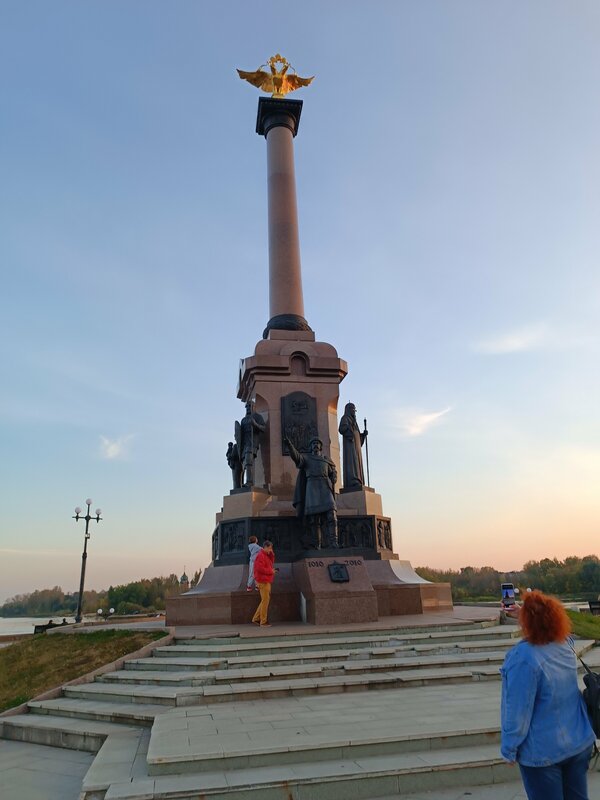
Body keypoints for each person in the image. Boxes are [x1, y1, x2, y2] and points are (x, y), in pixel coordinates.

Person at [500, 591, 595, 800]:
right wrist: (525, 613)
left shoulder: (523, 658)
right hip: (578, 741)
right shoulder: (565, 646)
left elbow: (518, 710)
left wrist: (509, 748)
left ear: (527, 622)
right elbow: (554, 629)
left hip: (543, 752)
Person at [285, 435, 338, 548]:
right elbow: (297, 457)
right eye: (313, 443)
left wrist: (334, 476)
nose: (315, 445)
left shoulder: (326, 460)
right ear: (310, 447)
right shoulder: (307, 459)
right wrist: (290, 446)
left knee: (331, 515)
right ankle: (317, 544)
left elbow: (332, 472)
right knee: (315, 520)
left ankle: (334, 542)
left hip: (324, 487)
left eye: (317, 443)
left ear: (320, 446)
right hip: (311, 489)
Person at [338, 402, 368, 490]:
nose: (354, 412)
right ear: (348, 410)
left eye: (355, 410)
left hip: (356, 446)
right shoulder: (345, 418)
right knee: (352, 462)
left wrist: (363, 435)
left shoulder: (355, 422)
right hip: (350, 445)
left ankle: (359, 479)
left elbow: (358, 435)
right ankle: (352, 480)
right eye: (352, 409)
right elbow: (341, 428)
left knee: (358, 463)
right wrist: (349, 430)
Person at [251, 541, 275, 627]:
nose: (270, 550)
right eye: (269, 548)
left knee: (264, 600)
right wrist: (271, 571)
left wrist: (271, 554)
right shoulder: (260, 556)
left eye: (271, 548)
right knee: (265, 601)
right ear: (264, 547)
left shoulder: (265, 555)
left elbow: (271, 563)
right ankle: (263, 622)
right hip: (263, 581)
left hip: (266, 580)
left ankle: (256, 618)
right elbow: (259, 569)